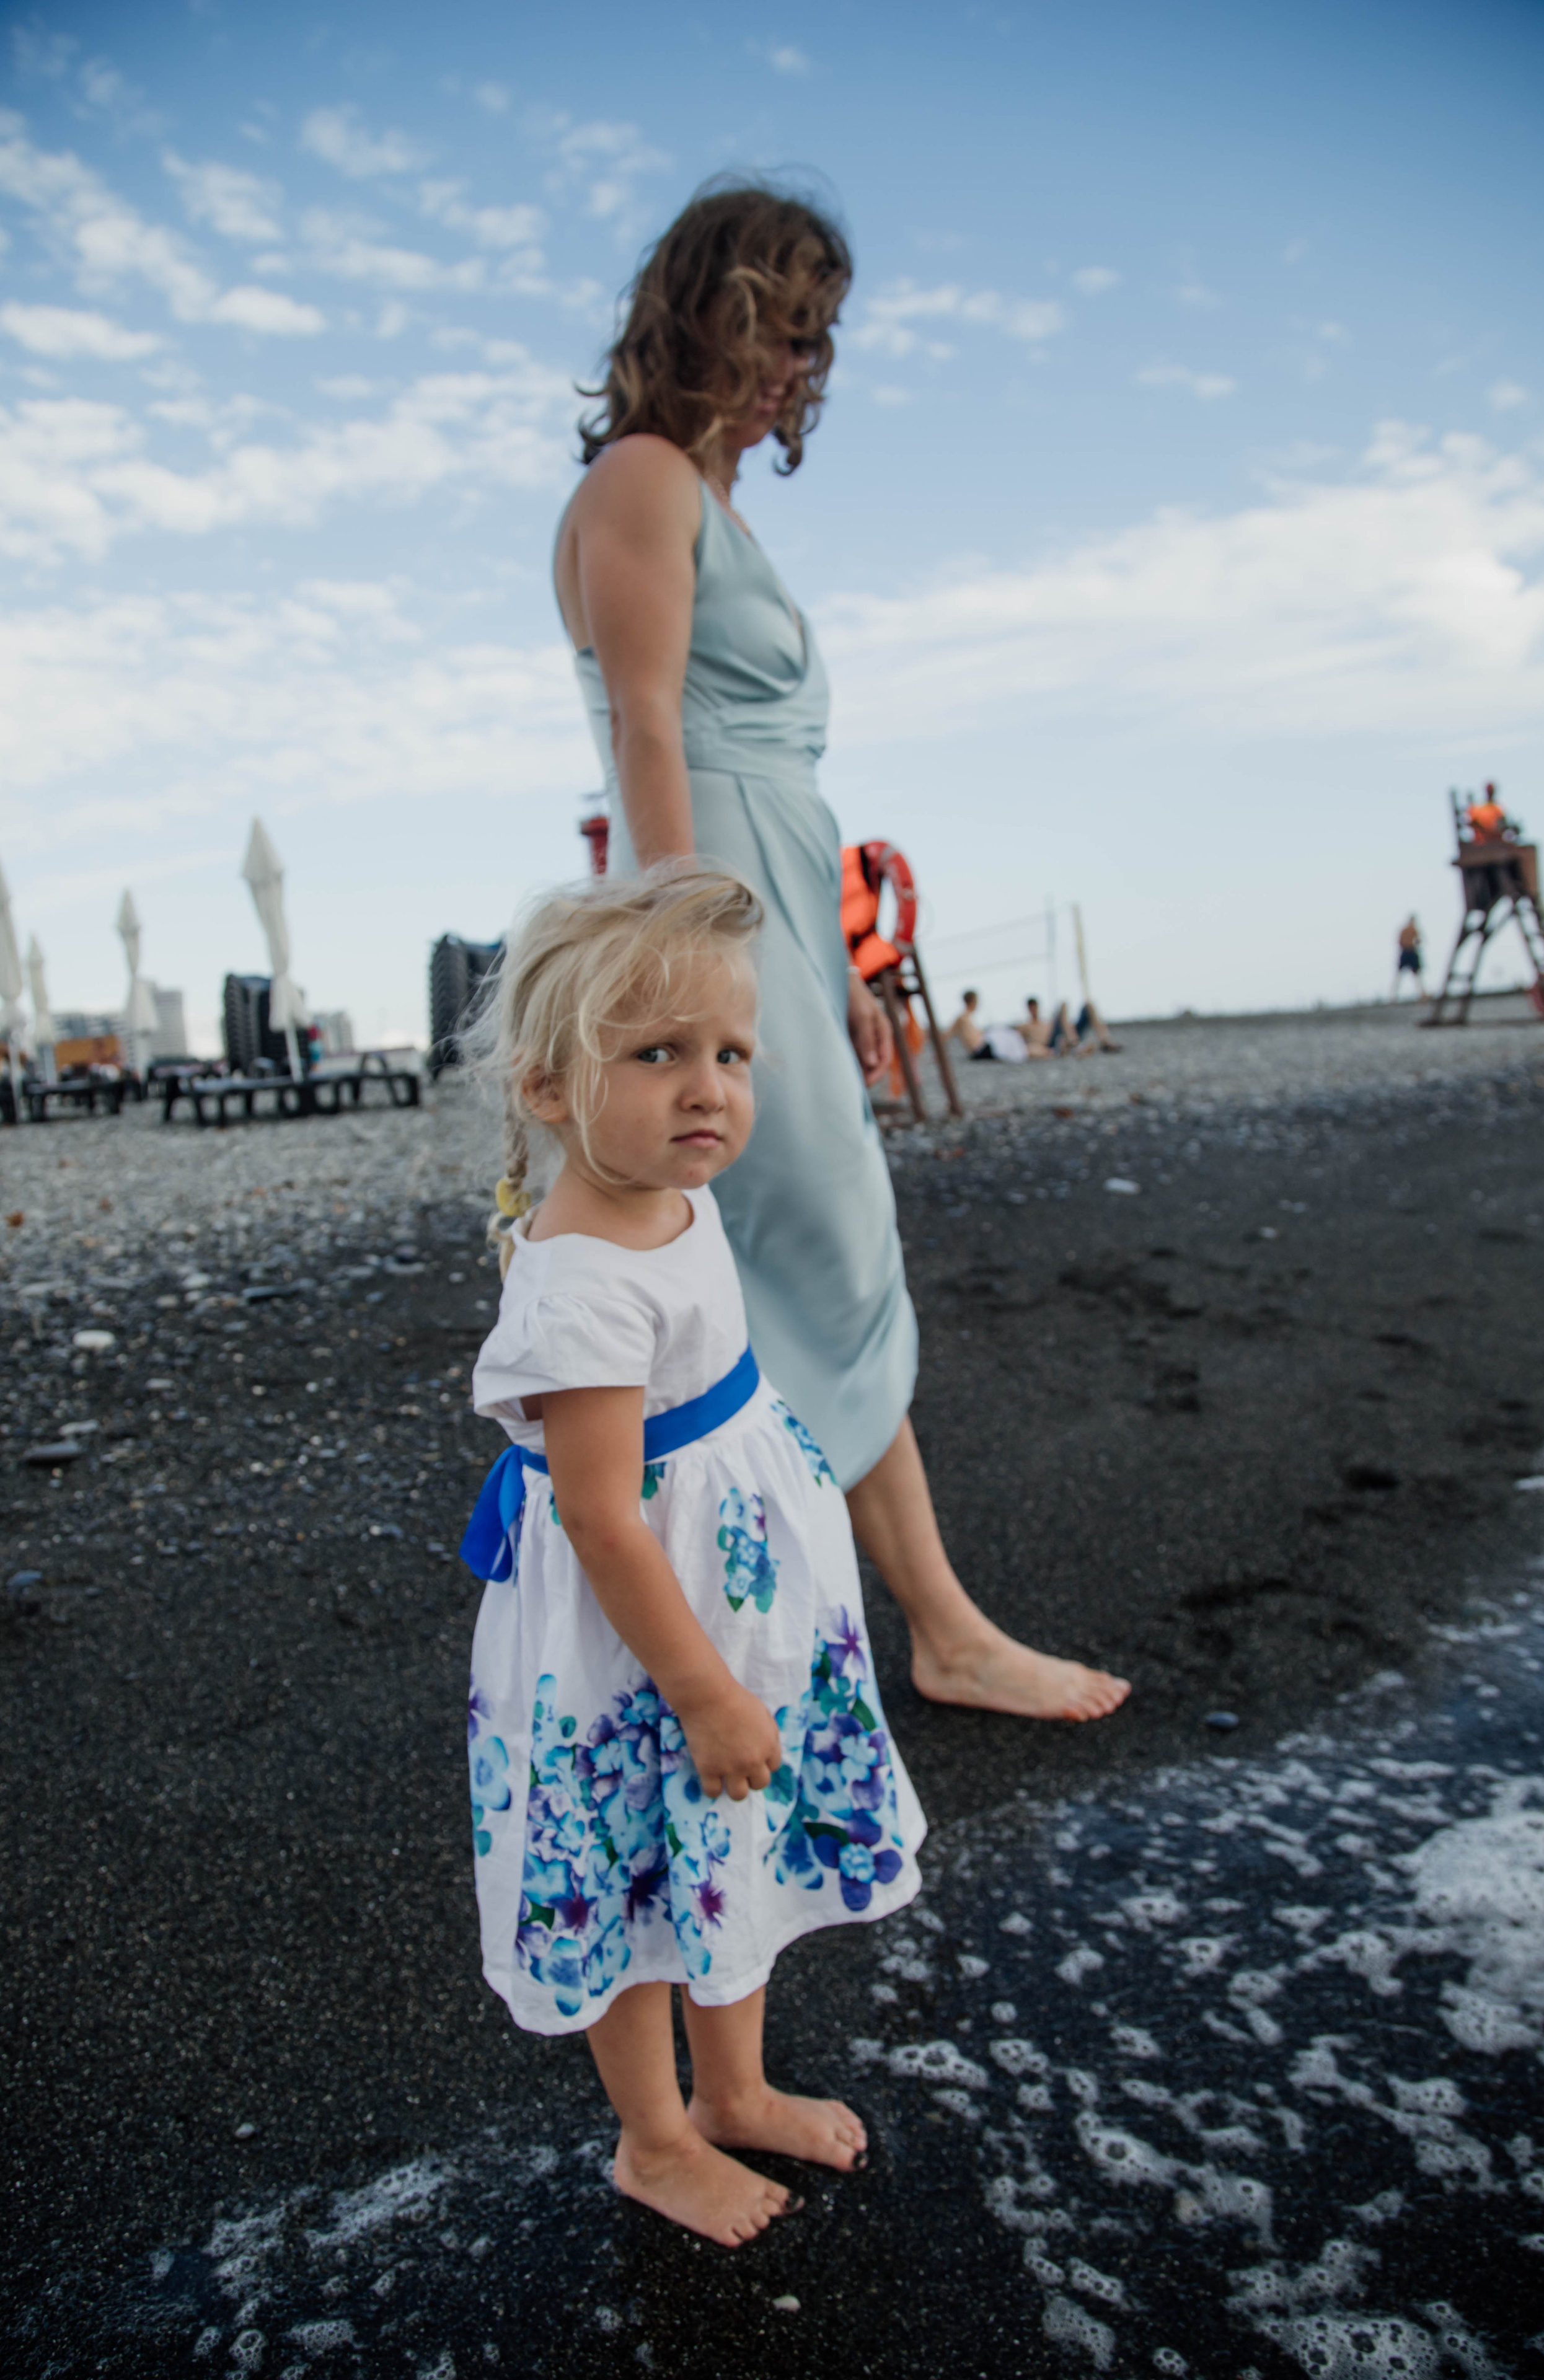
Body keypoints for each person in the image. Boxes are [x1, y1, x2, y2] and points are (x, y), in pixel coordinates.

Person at [554, 179, 1127, 1726]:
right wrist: (694, 960)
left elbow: (769, 775)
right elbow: (655, 728)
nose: (801, 371)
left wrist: (845, 965)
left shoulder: (709, 501)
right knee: (824, 1249)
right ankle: (929, 1630)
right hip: (715, 904)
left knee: (803, 1259)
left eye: (815, 344)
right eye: (784, 333)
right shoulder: (642, 477)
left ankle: (787, 1623)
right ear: (714, 319)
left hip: (779, 897)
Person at [462, 867, 925, 2248]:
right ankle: (654, 2140)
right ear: (549, 1092)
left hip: (724, 1592)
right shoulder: (581, 1281)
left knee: (722, 1842)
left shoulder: (672, 1191)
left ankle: (732, 2091)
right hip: (638, 1639)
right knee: (626, 1863)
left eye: (728, 1055)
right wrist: (704, 1690)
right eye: (656, 1055)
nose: (705, 1088)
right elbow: (604, 1518)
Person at [1392, 915, 1425, 1002]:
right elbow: (1419, 941)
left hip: (1405, 951)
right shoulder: (1413, 929)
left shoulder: (1404, 930)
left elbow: (1399, 941)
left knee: (1402, 974)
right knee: (1416, 974)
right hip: (1411, 951)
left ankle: (1394, 995)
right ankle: (1422, 994)